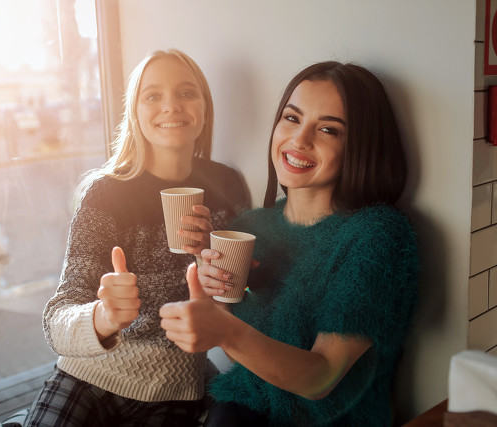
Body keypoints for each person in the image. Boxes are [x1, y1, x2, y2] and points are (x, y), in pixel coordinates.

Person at [159, 61, 420, 426]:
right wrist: (214, 297)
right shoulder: (250, 228)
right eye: (292, 118)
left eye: (328, 129)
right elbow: (249, 358)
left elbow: (321, 377)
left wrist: (225, 331)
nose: (299, 140)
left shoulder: (378, 236)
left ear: (360, 147)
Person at [23, 48, 250, 427]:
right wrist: (103, 316)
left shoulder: (226, 185)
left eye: (186, 93)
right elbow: (57, 320)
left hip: (174, 387)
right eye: (153, 95)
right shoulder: (106, 193)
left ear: (205, 109)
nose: (171, 106)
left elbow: (237, 305)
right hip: (88, 375)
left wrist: (209, 258)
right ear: (135, 111)